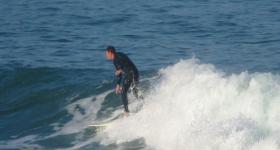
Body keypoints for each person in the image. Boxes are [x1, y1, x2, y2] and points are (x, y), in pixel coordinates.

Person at [105, 46, 139, 115]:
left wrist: (120, 70)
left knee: (123, 92)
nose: (106, 55)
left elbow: (125, 65)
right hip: (134, 73)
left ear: (110, 53)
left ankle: (126, 112)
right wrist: (118, 84)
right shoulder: (116, 58)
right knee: (134, 91)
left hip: (131, 74)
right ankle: (143, 102)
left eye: (106, 53)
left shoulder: (118, 58)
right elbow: (120, 73)